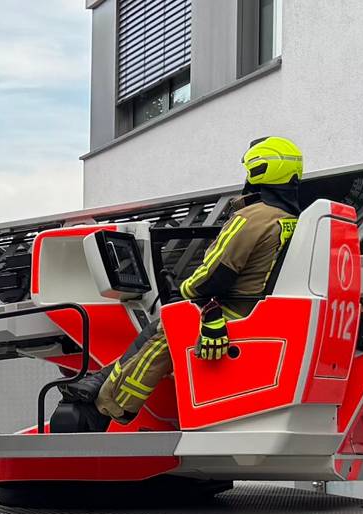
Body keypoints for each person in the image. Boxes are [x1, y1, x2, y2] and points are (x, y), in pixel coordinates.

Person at [95, 135, 310, 425]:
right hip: (264, 308)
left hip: (237, 309)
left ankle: (114, 405)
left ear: (257, 170)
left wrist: (182, 292)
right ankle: (102, 385)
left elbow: (213, 275)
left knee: (168, 328)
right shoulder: (295, 218)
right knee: (166, 325)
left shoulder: (252, 218)